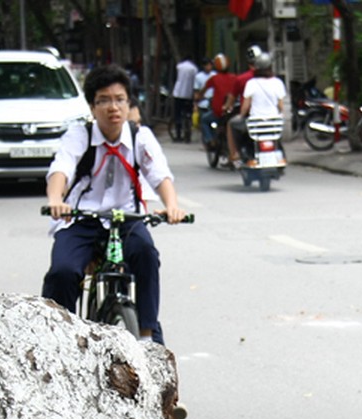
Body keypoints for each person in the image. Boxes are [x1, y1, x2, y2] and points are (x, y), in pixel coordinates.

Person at [42, 64, 186, 348]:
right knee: (63, 271)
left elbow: (159, 174)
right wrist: (56, 201)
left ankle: (147, 335)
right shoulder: (79, 135)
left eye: (120, 99)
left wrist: (172, 206)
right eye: (104, 100)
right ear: (92, 107)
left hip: (126, 220)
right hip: (81, 219)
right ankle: (57, 339)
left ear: (129, 103)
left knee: (146, 255)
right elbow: (61, 168)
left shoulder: (139, 136)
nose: (113, 107)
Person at [234, 52, 286, 165]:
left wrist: (241, 115)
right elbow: (281, 106)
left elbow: (245, 106)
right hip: (273, 123)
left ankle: (244, 157)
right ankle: (281, 156)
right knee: (276, 138)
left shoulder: (251, 83)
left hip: (255, 123)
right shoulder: (278, 83)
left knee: (236, 127)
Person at [226, 45, 262, 166]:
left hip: (251, 117)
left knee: (231, 124)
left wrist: (238, 113)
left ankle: (234, 153)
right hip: (271, 119)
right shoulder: (272, 79)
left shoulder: (243, 79)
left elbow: (239, 103)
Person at [201, 54, 237, 149]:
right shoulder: (234, 78)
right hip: (232, 111)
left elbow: (203, 90)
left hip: (218, 112)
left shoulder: (214, 79)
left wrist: (198, 97)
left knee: (204, 120)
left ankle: (210, 140)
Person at [172, 54, 198, 142]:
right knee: (188, 114)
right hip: (188, 94)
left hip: (178, 93)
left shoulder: (179, 66)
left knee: (178, 115)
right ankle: (188, 134)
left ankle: (178, 135)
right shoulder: (194, 68)